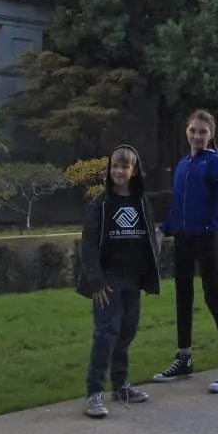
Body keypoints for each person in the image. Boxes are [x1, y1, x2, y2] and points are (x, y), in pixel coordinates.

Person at [153, 109, 218, 393]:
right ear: (186, 131)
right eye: (193, 131)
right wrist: (163, 229)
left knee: (214, 298)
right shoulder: (182, 165)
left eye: (203, 131)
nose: (197, 136)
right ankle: (184, 358)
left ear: (211, 134)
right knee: (183, 299)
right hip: (183, 241)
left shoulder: (214, 163)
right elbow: (179, 209)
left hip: (206, 239)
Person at [77, 144, 161, 419]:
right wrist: (97, 281)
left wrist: (149, 273)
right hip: (108, 281)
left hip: (133, 280)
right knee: (105, 335)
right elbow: (88, 246)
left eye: (125, 167)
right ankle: (94, 392)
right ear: (109, 169)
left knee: (127, 331)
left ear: (134, 170)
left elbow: (149, 237)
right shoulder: (99, 204)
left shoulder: (141, 201)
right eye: (115, 166)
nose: (119, 171)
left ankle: (121, 385)